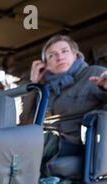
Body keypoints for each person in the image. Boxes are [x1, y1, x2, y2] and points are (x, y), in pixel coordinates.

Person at [20, 35, 107, 175]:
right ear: (45, 65)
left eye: (64, 51)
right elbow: (25, 121)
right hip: (48, 140)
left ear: (75, 54)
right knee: (9, 142)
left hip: (78, 142)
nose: (59, 57)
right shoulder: (44, 87)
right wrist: (34, 84)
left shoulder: (94, 74)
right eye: (52, 55)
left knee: (22, 146)